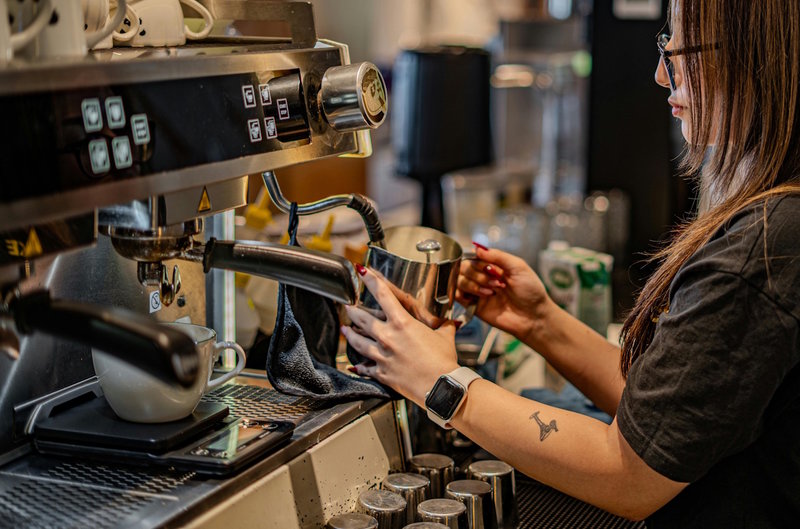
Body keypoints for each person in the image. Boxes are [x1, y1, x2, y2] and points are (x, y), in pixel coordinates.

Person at [341, 0, 800, 526]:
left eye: (679, 54)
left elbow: (629, 473)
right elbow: (666, 416)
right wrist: (539, 320)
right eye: (664, 48)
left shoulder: (763, 251)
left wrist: (439, 381)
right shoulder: (778, 219)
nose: (660, 75)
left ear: (752, 58)